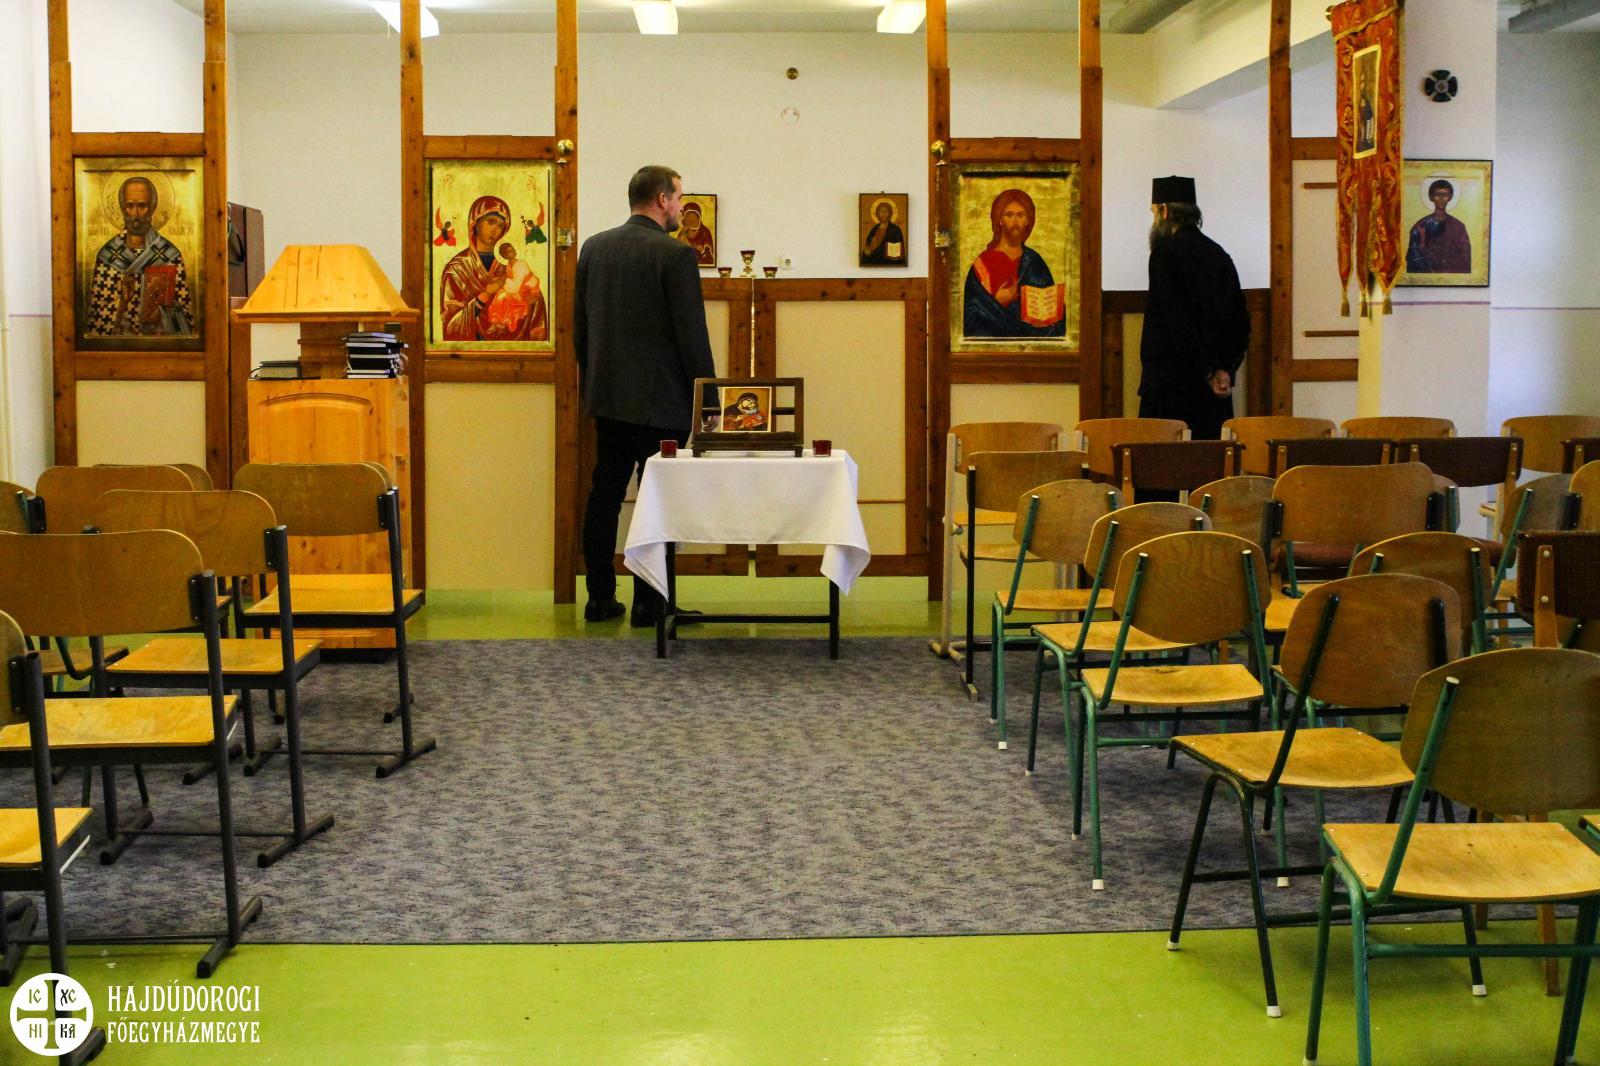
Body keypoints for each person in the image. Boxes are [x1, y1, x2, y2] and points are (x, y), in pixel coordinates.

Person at [577, 165, 716, 626]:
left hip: (608, 399)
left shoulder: (594, 249)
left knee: (604, 495)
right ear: (662, 199)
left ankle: (599, 598)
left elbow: (581, 329)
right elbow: (691, 336)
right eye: (679, 198)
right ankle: (651, 603)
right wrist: (710, 400)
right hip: (663, 402)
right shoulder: (675, 256)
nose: (681, 207)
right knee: (658, 501)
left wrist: (593, 384)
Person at [1137, 175, 1250, 442]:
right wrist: (1224, 370)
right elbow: (1239, 321)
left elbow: (1175, 321)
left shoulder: (1164, 254)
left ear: (1164, 211)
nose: (1154, 220)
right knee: (1209, 464)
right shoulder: (1218, 254)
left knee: (1163, 464)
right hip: (1213, 392)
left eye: (1154, 213)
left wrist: (1205, 371)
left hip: (1170, 386)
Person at [86, 175, 195, 337]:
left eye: (142, 206)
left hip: (159, 346)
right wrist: (122, 302)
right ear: (122, 208)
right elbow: (97, 321)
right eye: (130, 206)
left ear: (153, 207)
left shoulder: (170, 255)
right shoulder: (107, 256)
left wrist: (162, 314)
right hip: (119, 347)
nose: (136, 214)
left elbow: (186, 318)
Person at [438, 194, 548, 342]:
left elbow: (536, 313)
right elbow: (450, 327)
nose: (495, 229)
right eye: (491, 222)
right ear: (475, 223)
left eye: (501, 226)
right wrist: (485, 295)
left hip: (514, 351)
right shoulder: (457, 269)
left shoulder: (510, 264)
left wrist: (530, 295)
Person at [961, 188, 1065, 339]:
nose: (1015, 222)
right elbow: (969, 316)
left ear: (1028, 220)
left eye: (1020, 215)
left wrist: (1051, 315)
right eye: (1009, 215)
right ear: (1000, 220)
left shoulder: (1035, 261)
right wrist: (996, 302)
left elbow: (1052, 317)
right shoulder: (983, 263)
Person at [1405, 179, 1471, 274]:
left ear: (1450, 197)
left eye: (1445, 195)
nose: (1441, 199)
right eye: (1438, 194)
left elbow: (1464, 258)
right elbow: (1413, 259)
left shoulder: (1458, 227)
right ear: (1431, 197)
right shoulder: (1420, 227)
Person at [485, 242, 542, 335]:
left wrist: (504, 281)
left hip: (528, 288)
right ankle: (497, 322)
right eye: (509, 251)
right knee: (499, 295)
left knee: (503, 297)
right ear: (504, 255)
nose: (513, 252)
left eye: (512, 249)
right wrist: (501, 280)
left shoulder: (520, 264)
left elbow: (515, 286)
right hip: (518, 287)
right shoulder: (509, 264)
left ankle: (504, 322)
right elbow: (510, 279)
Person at [861, 198, 905, 265]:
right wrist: (867, 252)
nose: (883, 214)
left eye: (885, 211)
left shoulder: (895, 230)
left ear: (890, 213)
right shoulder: (874, 230)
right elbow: (867, 248)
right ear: (877, 214)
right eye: (881, 212)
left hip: (889, 261)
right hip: (874, 261)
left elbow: (898, 251)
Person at [675, 201, 715, 266]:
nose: (686, 217)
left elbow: (709, 256)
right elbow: (676, 250)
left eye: (689, 214)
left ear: (697, 215)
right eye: (685, 215)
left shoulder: (705, 232)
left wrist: (691, 245)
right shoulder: (684, 230)